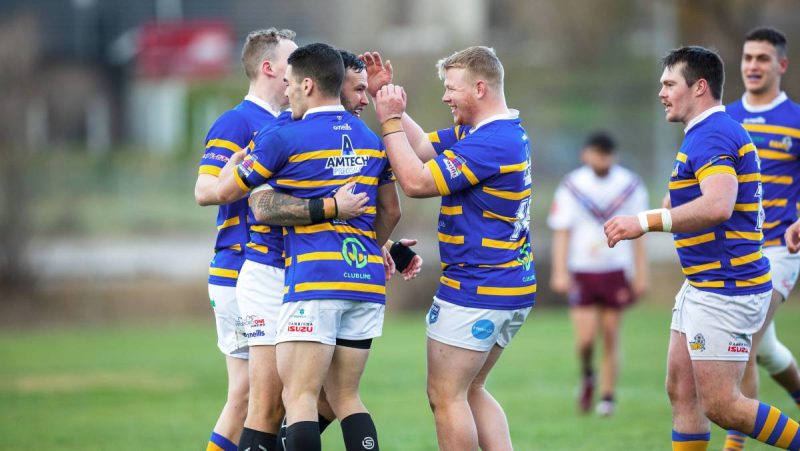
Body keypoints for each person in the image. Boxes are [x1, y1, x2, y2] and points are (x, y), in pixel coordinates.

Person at [604, 46, 800, 450]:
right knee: (682, 389)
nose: (661, 92)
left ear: (699, 87)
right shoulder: (704, 133)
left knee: (724, 405)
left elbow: (718, 205)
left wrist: (643, 222)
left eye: (669, 84)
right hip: (703, 284)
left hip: (726, 288)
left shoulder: (712, 134)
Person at [217, 42, 398, 451]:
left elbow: (242, 198)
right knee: (343, 397)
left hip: (311, 278)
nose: (288, 93)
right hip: (363, 282)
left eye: (292, 86)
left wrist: (237, 162)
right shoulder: (371, 140)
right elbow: (391, 211)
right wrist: (373, 245)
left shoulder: (283, 135)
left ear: (309, 85)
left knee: (295, 399)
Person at [374, 46, 536, 450]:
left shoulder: (490, 143)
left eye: (452, 89)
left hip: (478, 288)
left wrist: (389, 120)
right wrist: (385, 94)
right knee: (472, 388)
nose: (445, 97)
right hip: (510, 284)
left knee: (446, 396)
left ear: (479, 88)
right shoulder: (492, 131)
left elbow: (415, 181)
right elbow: (424, 147)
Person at [193, 27, 297, 451]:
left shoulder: (287, 123)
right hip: (239, 269)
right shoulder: (238, 121)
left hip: (274, 270)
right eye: (293, 63)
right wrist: (234, 172)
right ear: (269, 67)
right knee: (249, 393)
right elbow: (204, 190)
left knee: (279, 397)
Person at [724, 26, 800, 450]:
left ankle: (735, 445)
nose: (753, 65)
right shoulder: (726, 118)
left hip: (781, 249)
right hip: (736, 252)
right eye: (748, 57)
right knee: (766, 349)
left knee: (743, 337)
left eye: (762, 59)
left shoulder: (797, 120)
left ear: (781, 65)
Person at [548, 131, 648, 416]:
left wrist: (641, 274)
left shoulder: (629, 185)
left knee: (611, 334)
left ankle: (607, 397)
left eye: (606, 154)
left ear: (613, 156)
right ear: (585, 154)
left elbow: (641, 232)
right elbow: (561, 230)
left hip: (616, 269)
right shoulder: (572, 185)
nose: (601, 158)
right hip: (582, 269)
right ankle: (588, 376)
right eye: (596, 153)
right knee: (585, 340)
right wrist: (559, 271)